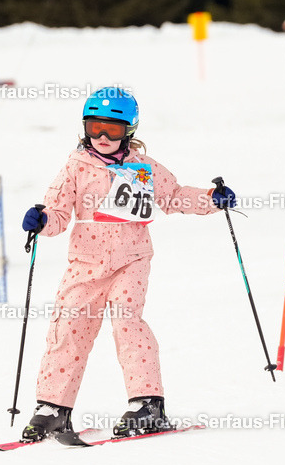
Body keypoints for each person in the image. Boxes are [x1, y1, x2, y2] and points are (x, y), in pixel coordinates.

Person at [18, 87, 236, 442]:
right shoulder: (75, 167)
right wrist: (42, 219)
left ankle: (147, 404)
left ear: (129, 131)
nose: (103, 137)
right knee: (69, 327)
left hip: (131, 259)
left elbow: (174, 196)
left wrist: (211, 199)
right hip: (85, 262)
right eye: (95, 128)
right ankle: (53, 407)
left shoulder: (143, 168)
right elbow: (57, 212)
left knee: (127, 321)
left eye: (113, 130)